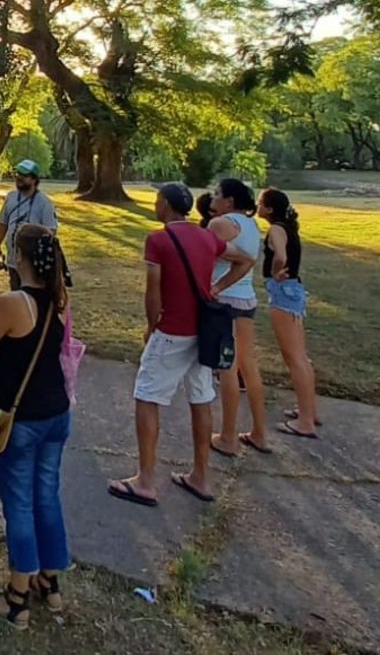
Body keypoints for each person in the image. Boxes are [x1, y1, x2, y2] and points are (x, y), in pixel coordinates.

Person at [107, 183, 254, 506]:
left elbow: (153, 291)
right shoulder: (206, 237)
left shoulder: (158, 240)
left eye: (157, 200)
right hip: (203, 332)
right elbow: (245, 260)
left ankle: (145, 480)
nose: (155, 205)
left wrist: (151, 326)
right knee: (200, 398)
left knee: (147, 396)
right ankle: (200, 476)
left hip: (172, 330)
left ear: (165, 205)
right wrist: (216, 288)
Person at [0, 224, 71, 630]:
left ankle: (16, 598)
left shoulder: (12, 303)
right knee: (47, 497)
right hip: (57, 413)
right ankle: (50, 582)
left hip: (21, 421)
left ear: (19, 257)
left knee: (19, 504)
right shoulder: (59, 298)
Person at [206, 179, 271, 456]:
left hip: (224, 301)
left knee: (227, 369)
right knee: (249, 366)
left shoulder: (220, 224)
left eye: (217, 194)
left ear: (229, 201)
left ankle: (228, 437)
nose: (213, 198)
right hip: (246, 300)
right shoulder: (251, 225)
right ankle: (259, 433)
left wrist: (217, 286)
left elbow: (204, 256)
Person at [259, 188, 321, 438]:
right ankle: (309, 411)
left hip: (283, 293)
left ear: (269, 209)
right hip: (294, 290)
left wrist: (276, 272)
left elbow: (281, 256)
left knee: (294, 358)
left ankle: (305, 423)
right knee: (300, 357)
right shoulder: (287, 227)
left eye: (261, 203)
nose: (258, 206)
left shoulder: (276, 229)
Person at [0, 160, 58, 291]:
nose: (19, 178)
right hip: (13, 260)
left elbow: (51, 231)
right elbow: (3, 222)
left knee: (32, 295)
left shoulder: (44, 202)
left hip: (33, 263)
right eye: (18, 174)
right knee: (16, 292)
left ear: (34, 180)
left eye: (25, 175)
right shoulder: (11, 197)